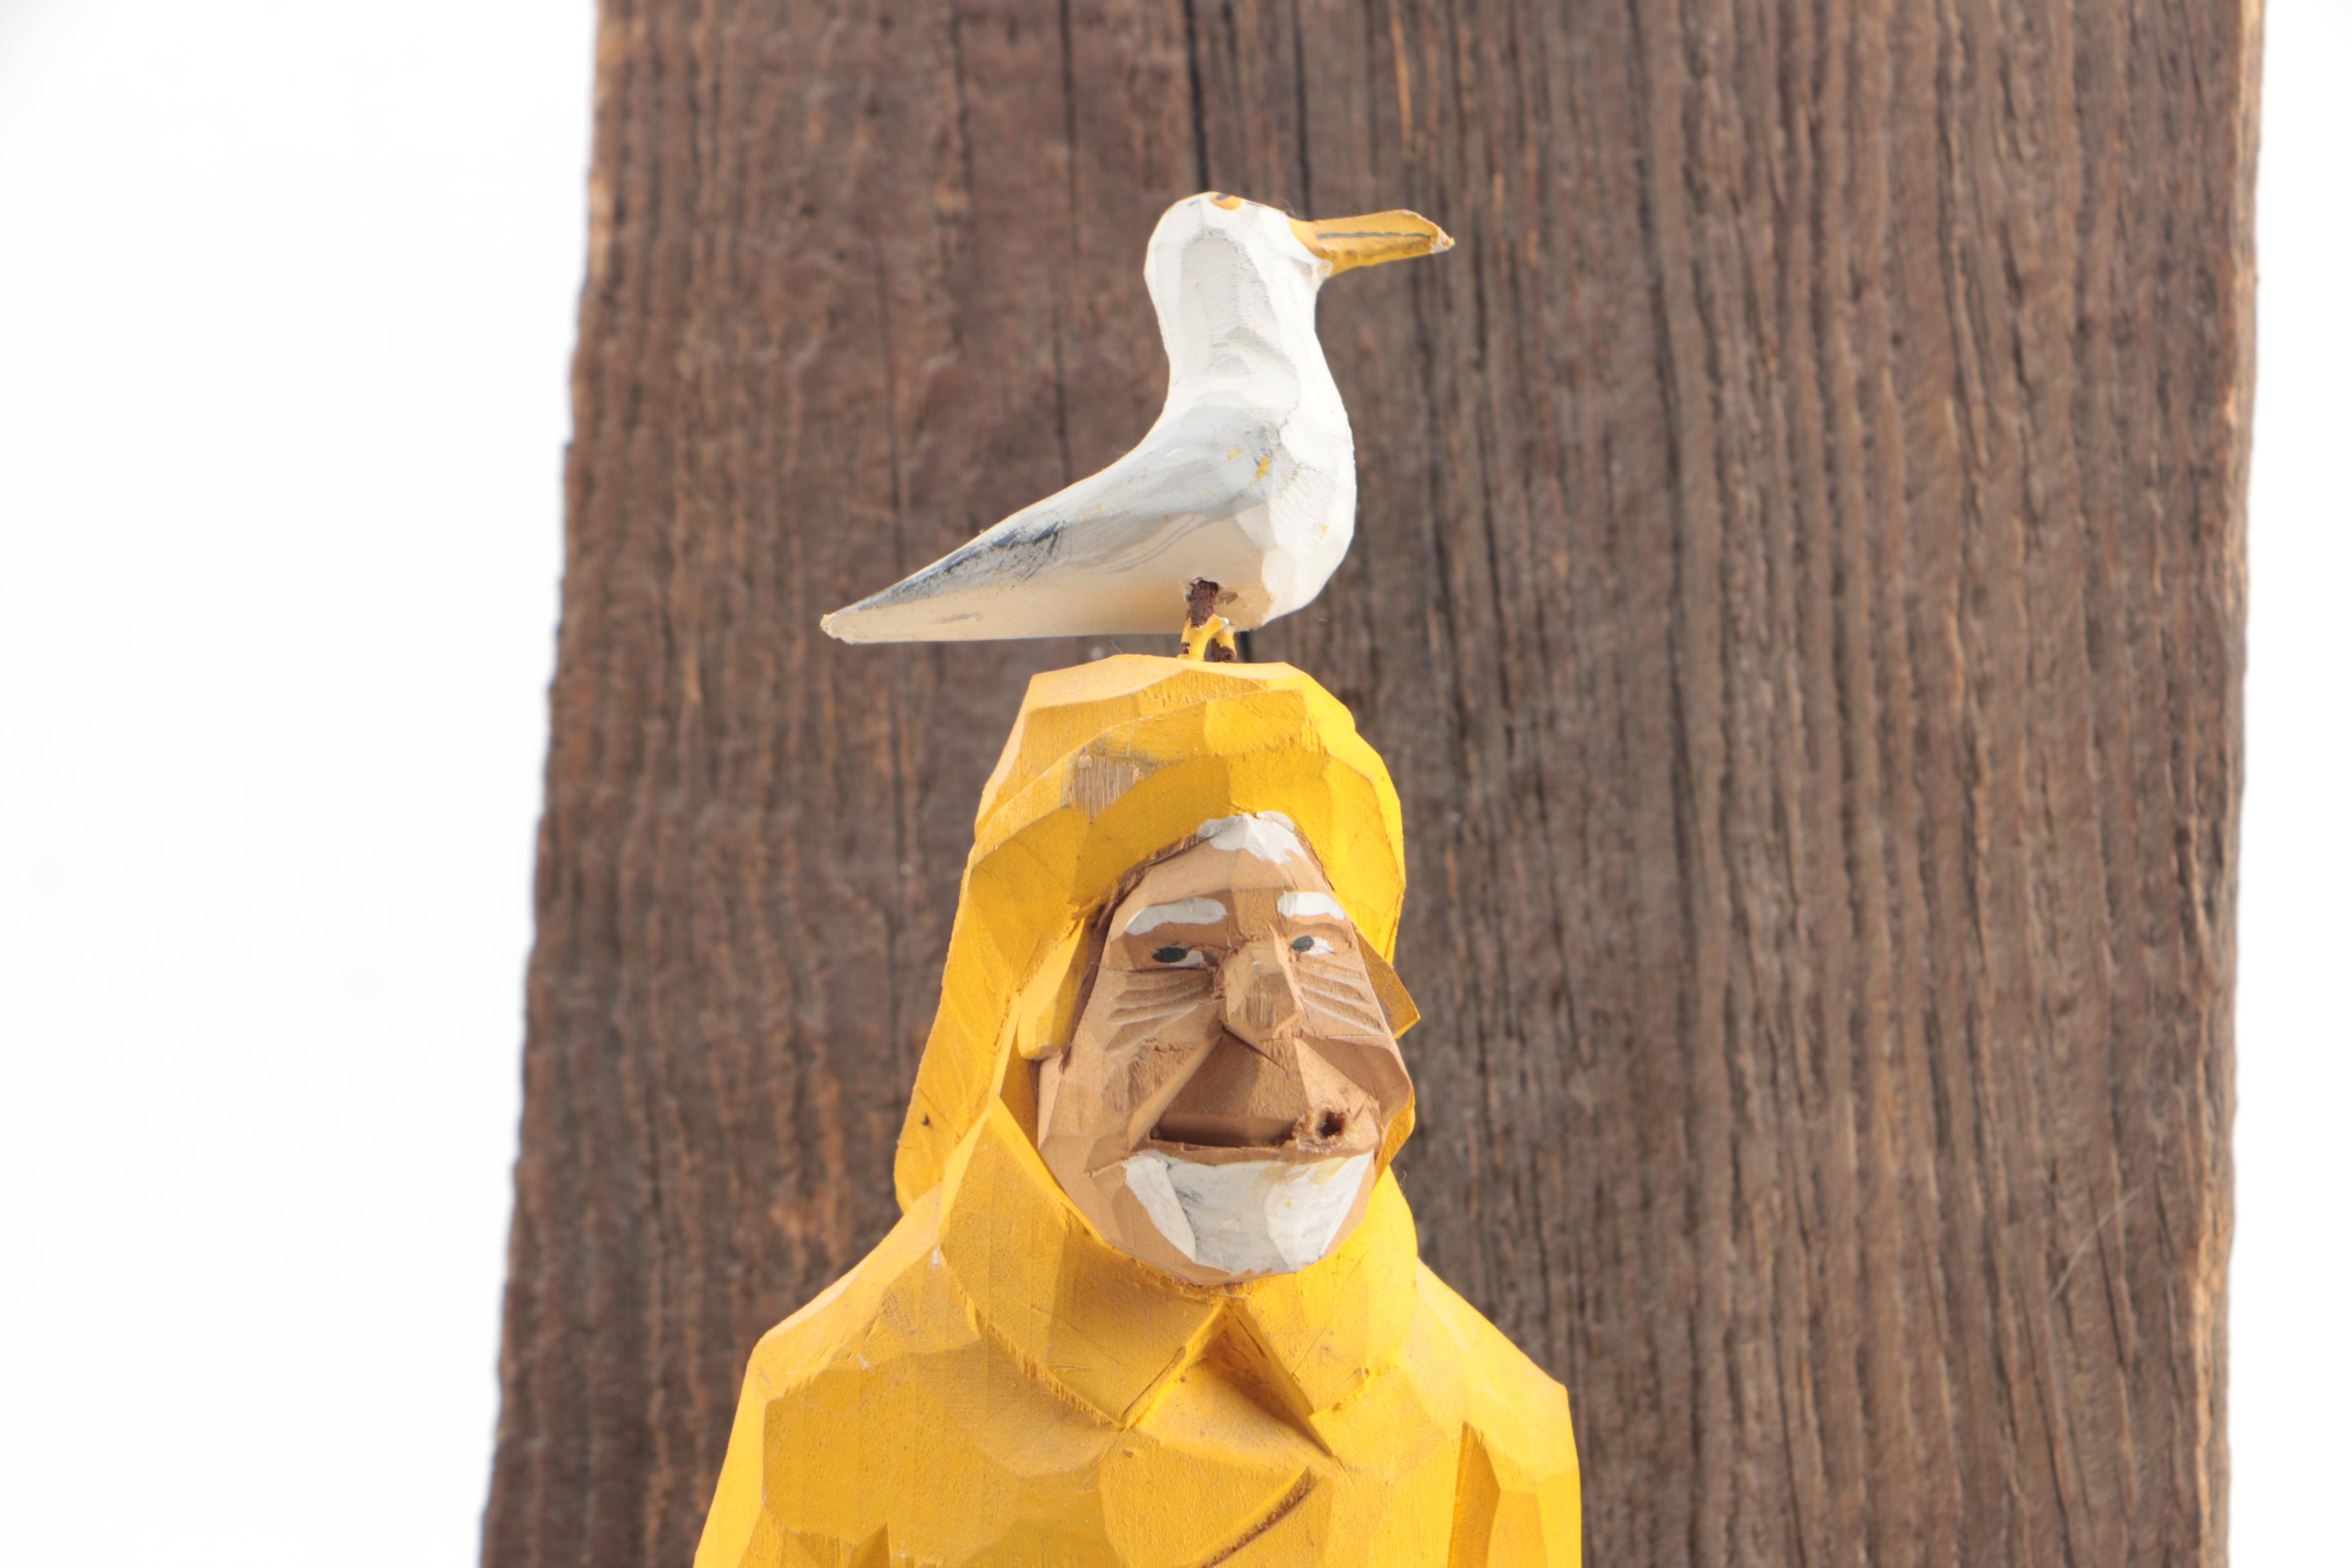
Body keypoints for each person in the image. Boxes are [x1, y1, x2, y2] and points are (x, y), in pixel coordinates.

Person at [694, 657, 1579, 1567]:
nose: (1273, 1016)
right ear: (1039, 1024)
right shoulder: (830, 1403)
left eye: (1316, 944)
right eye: (1174, 956)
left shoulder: (1498, 1425)